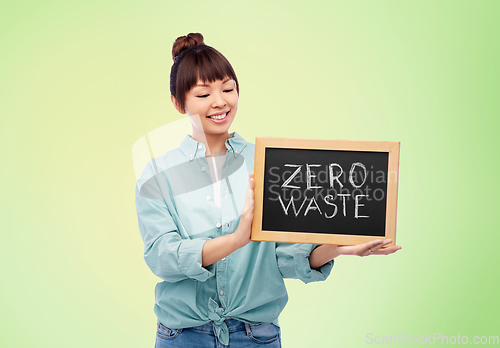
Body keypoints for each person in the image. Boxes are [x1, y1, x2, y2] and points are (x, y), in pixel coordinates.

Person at [135, 32, 402, 348]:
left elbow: (284, 257)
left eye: (228, 89)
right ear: (179, 103)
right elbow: (162, 257)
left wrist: (339, 247)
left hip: (255, 337)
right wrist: (236, 240)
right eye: (203, 94)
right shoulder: (157, 173)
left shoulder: (269, 162)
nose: (220, 102)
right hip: (183, 336)